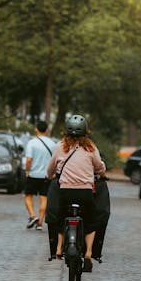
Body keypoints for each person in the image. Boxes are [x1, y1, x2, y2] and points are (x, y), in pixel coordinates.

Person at [46, 113, 106, 272]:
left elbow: (50, 169)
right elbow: (99, 167)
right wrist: (101, 172)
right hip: (85, 193)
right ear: (86, 132)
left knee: (59, 217)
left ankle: (59, 248)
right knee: (92, 220)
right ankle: (88, 253)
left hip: (65, 192)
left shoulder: (59, 147)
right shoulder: (91, 148)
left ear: (65, 132)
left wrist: (50, 176)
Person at [24, 120, 56, 230]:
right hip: (47, 176)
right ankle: (40, 223)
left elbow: (28, 160)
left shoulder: (31, 143)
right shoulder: (52, 144)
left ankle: (33, 216)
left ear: (36, 129)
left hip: (33, 174)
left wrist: (27, 171)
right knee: (44, 198)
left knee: (28, 196)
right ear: (47, 130)